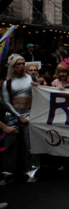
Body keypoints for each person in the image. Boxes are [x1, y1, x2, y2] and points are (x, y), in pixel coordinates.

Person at [1, 54, 40, 184]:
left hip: (30, 115)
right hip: (13, 117)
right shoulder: (8, 83)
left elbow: (41, 95)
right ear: (12, 66)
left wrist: (37, 87)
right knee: (10, 146)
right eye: (18, 64)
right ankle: (8, 173)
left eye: (23, 63)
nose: (22, 66)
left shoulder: (32, 78)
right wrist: (19, 116)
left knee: (30, 145)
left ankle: (32, 172)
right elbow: (6, 102)